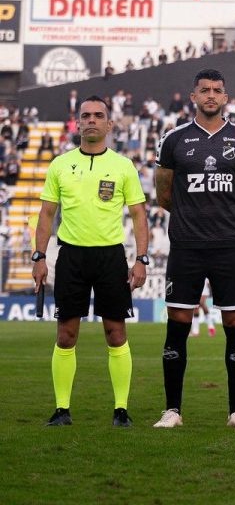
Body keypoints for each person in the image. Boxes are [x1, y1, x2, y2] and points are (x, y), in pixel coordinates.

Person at [153, 69, 235, 429]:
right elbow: (163, 193)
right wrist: (190, 216)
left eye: (217, 90)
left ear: (225, 97)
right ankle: (172, 410)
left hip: (228, 246)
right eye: (204, 90)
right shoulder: (173, 139)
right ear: (193, 96)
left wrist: (231, 214)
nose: (210, 95)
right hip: (186, 246)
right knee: (178, 322)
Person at [32, 95, 148, 427]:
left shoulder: (123, 166)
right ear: (78, 123)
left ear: (109, 124)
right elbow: (46, 214)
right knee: (66, 335)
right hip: (71, 256)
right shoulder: (60, 164)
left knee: (116, 333)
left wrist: (141, 259)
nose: (92, 120)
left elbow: (138, 215)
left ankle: (121, 410)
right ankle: (62, 409)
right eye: (86, 116)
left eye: (98, 115)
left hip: (110, 256)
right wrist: (39, 256)